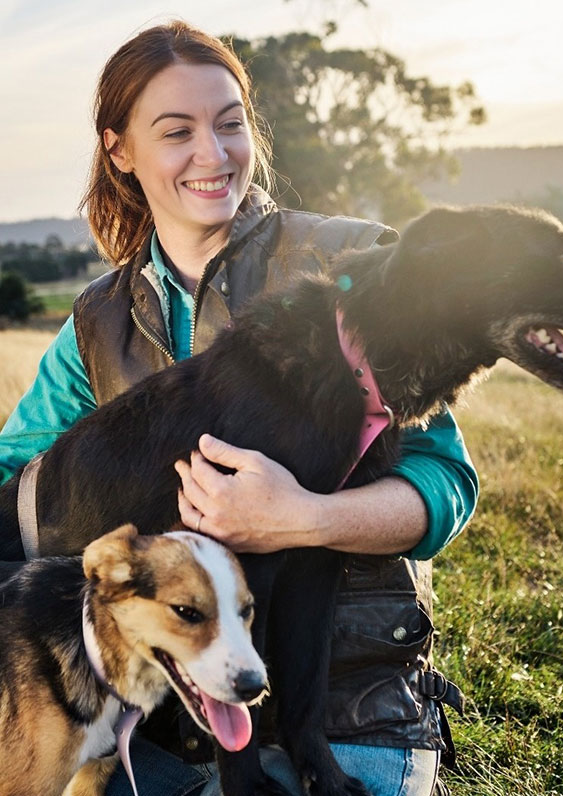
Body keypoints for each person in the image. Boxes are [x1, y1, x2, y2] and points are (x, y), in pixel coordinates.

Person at [0, 21, 478, 796]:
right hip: (159, 716)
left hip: (349, 700)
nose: (212, 154)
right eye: (176, 131)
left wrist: (305, 517)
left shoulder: (356, 266)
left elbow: (448, 485)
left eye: (229, 124)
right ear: (120, 149)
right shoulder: (97, 322)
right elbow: (16, 471)